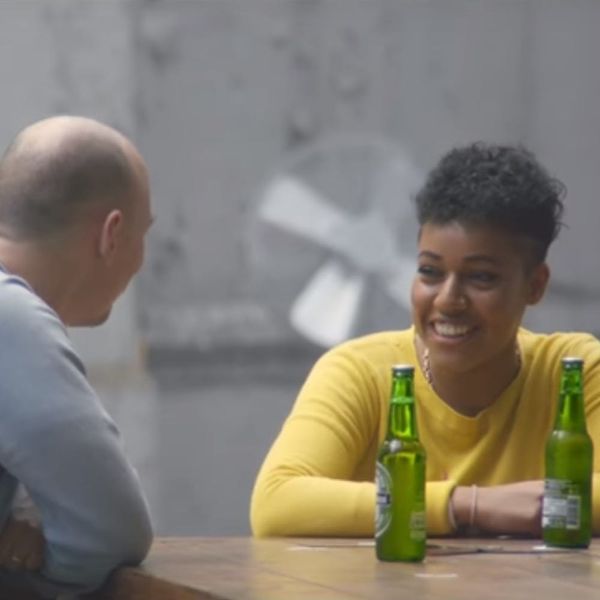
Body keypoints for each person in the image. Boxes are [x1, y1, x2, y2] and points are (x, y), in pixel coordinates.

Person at [250, 142, 600, 539]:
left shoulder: (574, 372)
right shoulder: (359, 372)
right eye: (430, 272)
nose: (448, 300)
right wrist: (468, 505)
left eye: (481, 277)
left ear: (535, 285)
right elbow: (276, 504)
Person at [0, 115, 154, 597]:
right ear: (112, 234)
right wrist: (29, 572)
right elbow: (108, 530)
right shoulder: (10, 318)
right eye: (143, 234)